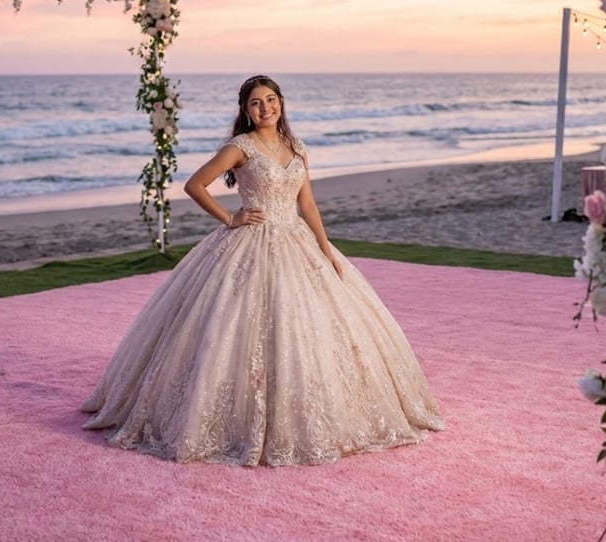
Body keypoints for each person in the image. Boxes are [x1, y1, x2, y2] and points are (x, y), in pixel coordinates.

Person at [81, 75, 444, 466]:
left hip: (297, 241)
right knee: (232, 327)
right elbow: (195, 185)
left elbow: (308, 205)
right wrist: (229, 219)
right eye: (256, 102)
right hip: (250, 241)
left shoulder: (297, 148)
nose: (265, 108)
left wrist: (325, 249)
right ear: (246, 110)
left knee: (311, 327)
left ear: (281, 103)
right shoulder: (240, 147)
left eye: (271, 100)